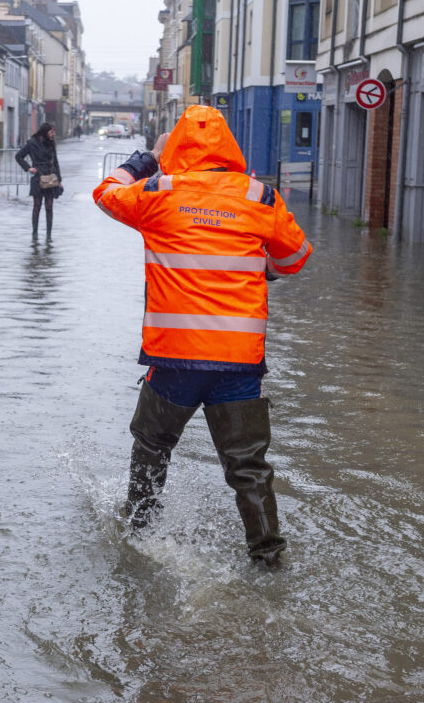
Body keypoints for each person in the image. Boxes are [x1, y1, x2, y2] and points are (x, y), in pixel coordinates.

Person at [91, 105, 312, 565]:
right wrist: (259, 268)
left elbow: (105, 192)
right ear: (229, 145)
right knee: (249, 466)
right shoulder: (260, 197)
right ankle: (268, 556)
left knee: (152, 447)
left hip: (174, 359)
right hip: (239, 361)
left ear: (175, 147)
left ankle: (139, 533)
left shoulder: (156, 192)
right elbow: (295, 258)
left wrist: (144, 159)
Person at [15, 122, 63, 240]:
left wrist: (59, 180)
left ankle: (48, 235)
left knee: (49, 206)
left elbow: (55, 162)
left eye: (54, 132)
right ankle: (35, 233)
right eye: (51, 132)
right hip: (38, 178)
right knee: (37, 206)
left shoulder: (51, 143)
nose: (53, 134)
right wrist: (28, 168)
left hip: (51, 177)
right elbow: (18, 156)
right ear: (45, 132)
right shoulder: (32, 143)